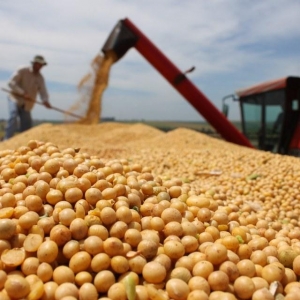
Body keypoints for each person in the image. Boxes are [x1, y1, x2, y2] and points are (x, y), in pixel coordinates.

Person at [3, 55, 51, 140]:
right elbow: (11, 83)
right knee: (13, 116)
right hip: (15, 98)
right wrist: (22, 93)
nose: (39, 66)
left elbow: (43, 92)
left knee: (27, 126)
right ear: (34, 63)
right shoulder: (22, 70)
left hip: (27, 104)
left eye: (41, 65)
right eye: (38, 64)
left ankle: (24, 144)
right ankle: (7, 140)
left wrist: (45, 101)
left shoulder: (40, 78)